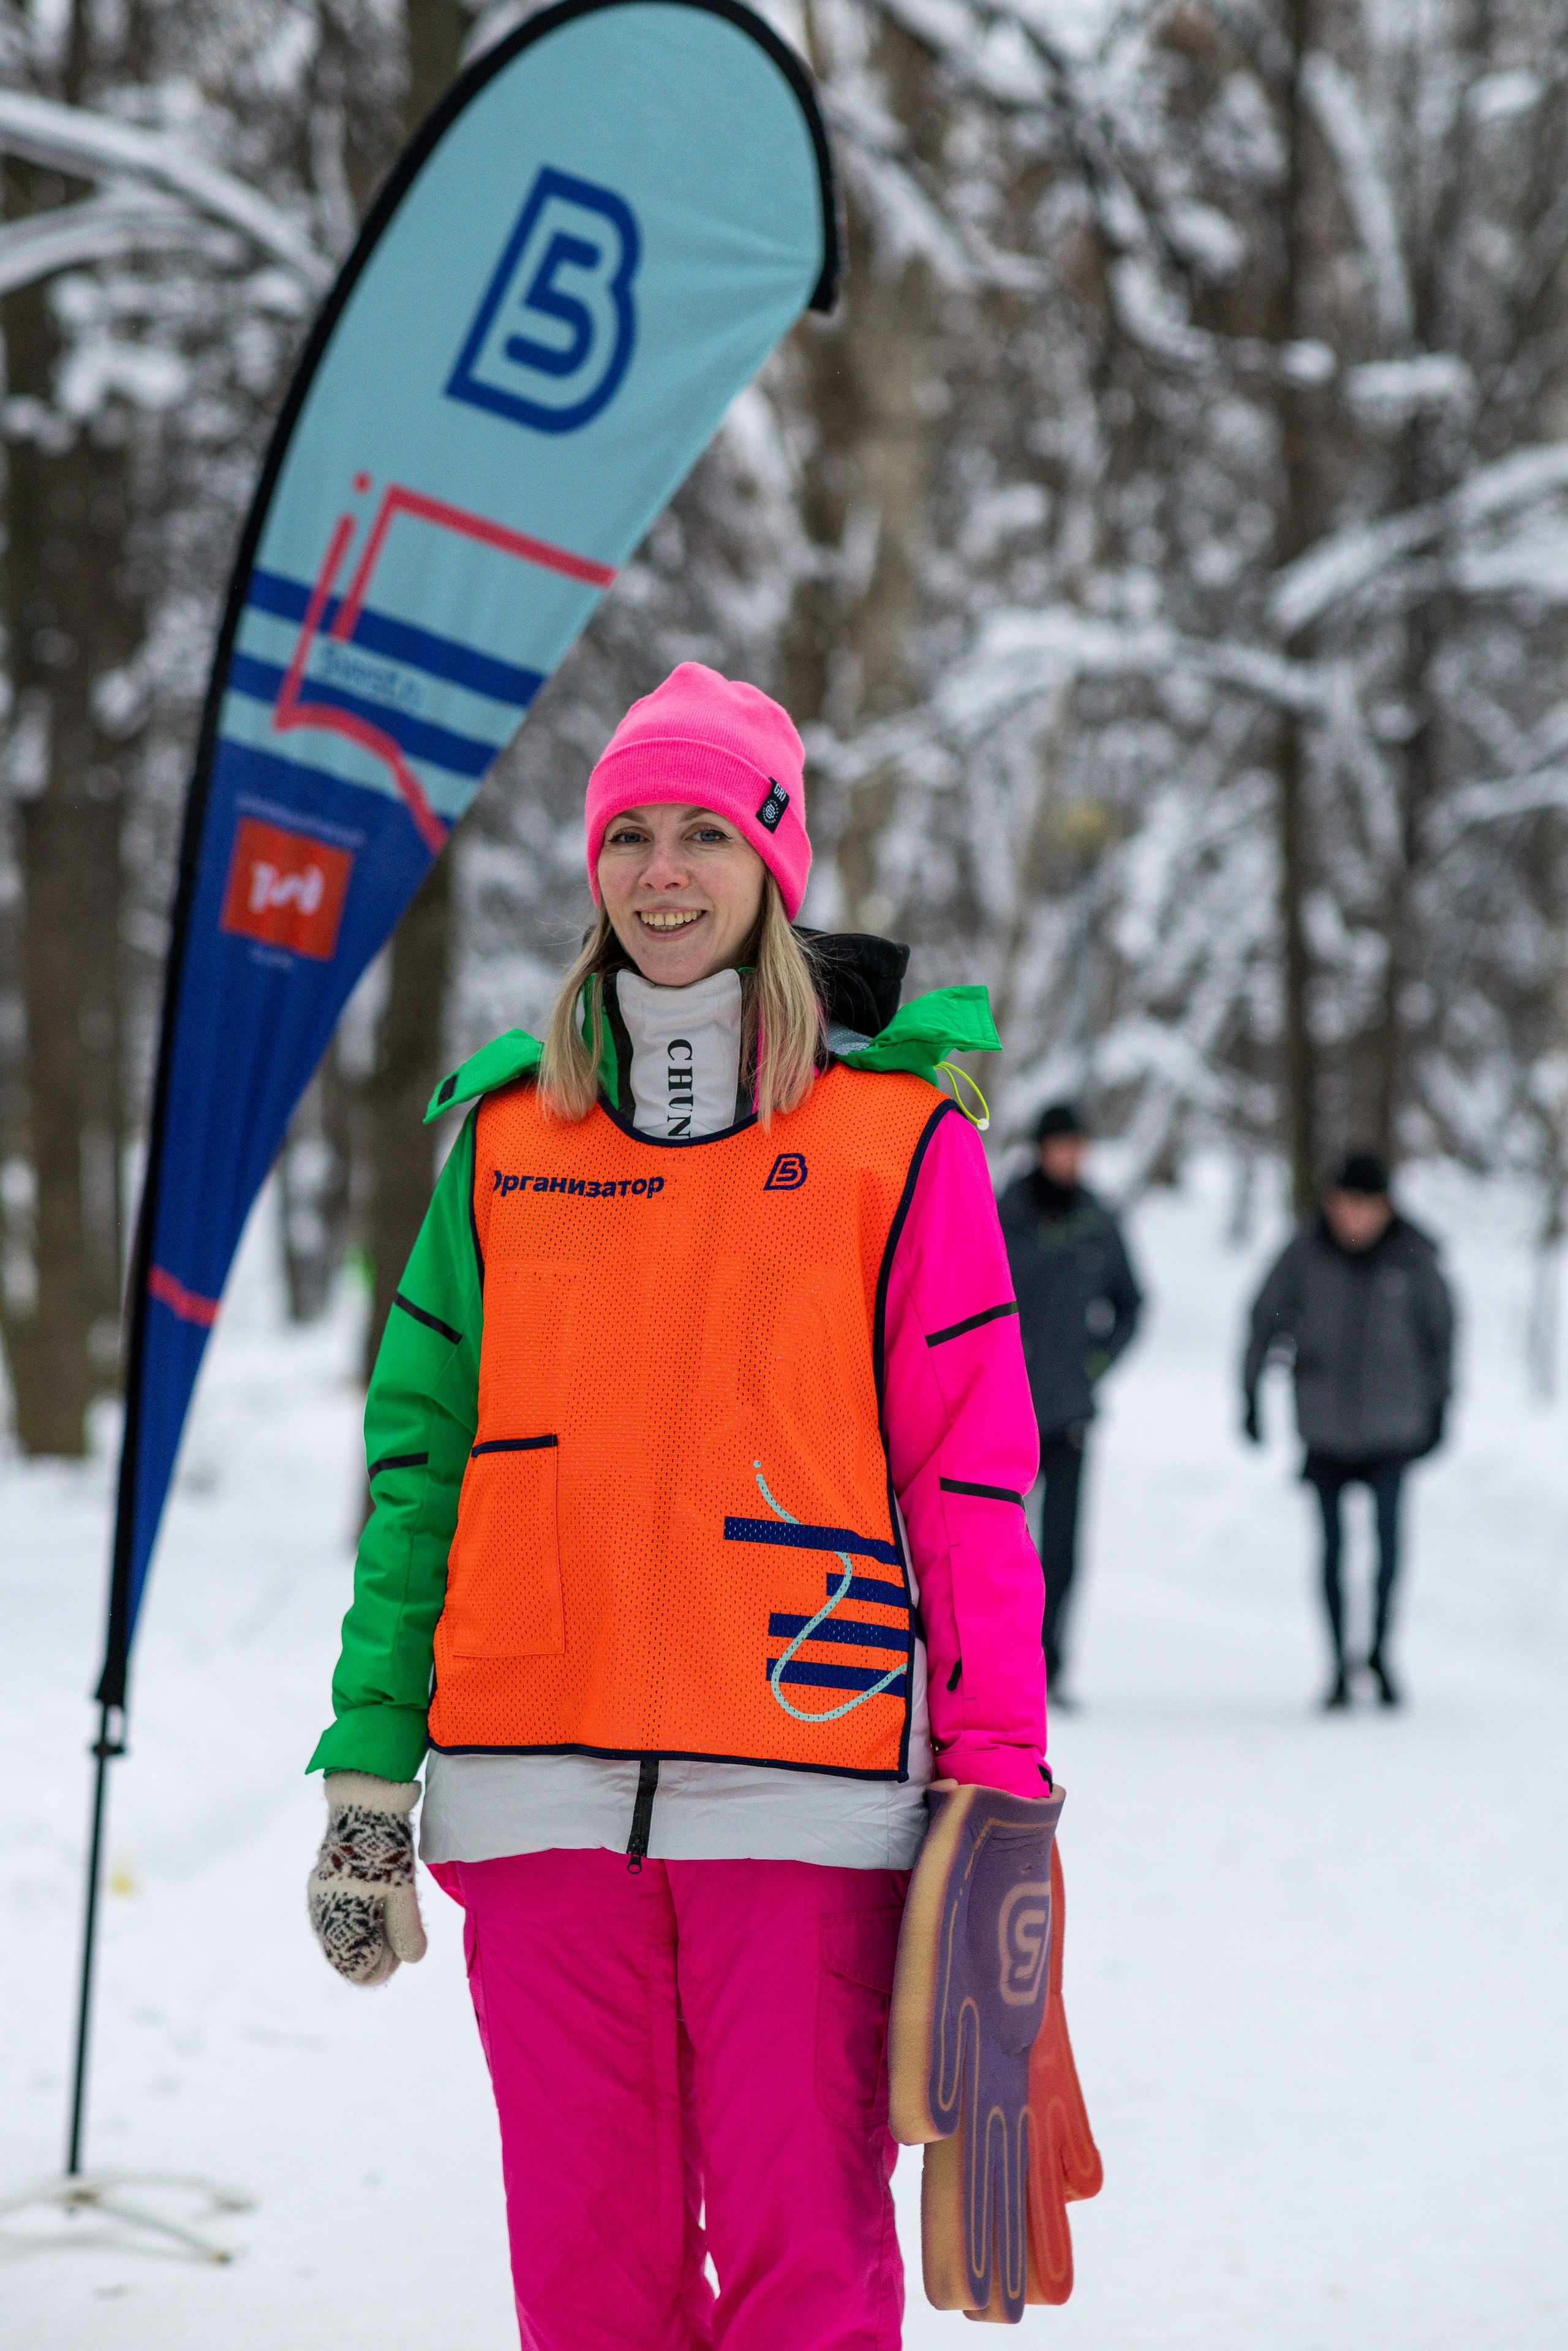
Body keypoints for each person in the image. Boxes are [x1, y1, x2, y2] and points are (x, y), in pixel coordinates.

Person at [304, 663, 1050, 2350]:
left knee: (809, 2265)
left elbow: (975, 1481)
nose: (660, 870)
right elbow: (419, 1474)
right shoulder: (501, 1145)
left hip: (804, 1787)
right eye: (628, 833)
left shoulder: (897, 1146)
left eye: (704, 832)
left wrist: (1000, 1786)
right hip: (533, 1797)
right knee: (585, 2276)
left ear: (773, 859)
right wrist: (368, 1772)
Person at [1242, 1149, 1454, 1710]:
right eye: (1346, 1204)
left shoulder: (1414, 1259)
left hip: (1393, 1427)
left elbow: (1443, 1335)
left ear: (1385, 1207)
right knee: (1333, 1548)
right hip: (1325, 1427)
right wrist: (1250, 1397)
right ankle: (1337, 1664)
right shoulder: (1304, 1253)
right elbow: (1263, 1317)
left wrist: (1441, 1409)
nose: (1355, 1217)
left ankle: (1381, 1653)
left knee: (1387, 1547)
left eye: (1367, 1206)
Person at [998, 1103, 1144, 1697]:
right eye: (1061, 1145)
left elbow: (1130, 1303)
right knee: (1001, 1544)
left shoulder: (1098, 1219)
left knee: (1061, 1546)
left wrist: (1093, 1367)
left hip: (1069, 1415)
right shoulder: (1003, 1213)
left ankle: (1050, 1663)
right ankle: (1000, 1664)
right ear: (1040, 1148)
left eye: (1078, 1146)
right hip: (1002, 1412)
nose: (1070, 1157)